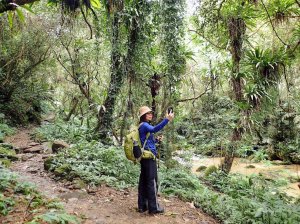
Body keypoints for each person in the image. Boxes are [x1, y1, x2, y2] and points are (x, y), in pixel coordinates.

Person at [137, 106, 174, 214]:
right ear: (143, 116)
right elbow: (154, 129)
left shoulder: (143, 126)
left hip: (145, 157)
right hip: (149, 158)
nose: (150, 115)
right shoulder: (144, 125)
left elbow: (148, 141)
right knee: (152, 181)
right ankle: (153, 208)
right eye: (147, 113)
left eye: (150, 113)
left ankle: (142, 206)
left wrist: (157, 140)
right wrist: (167, 119)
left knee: (144, 181)